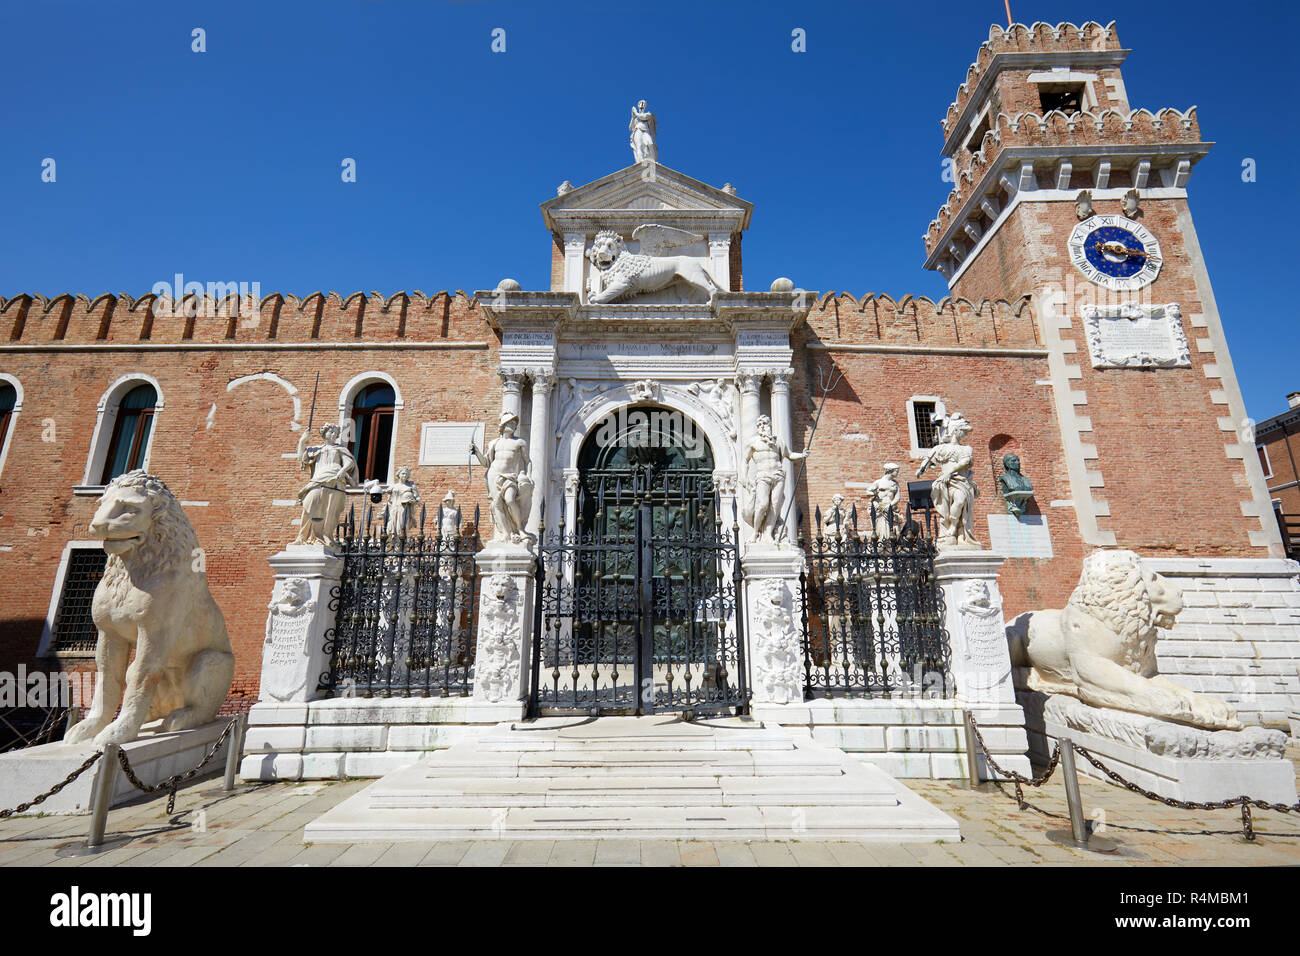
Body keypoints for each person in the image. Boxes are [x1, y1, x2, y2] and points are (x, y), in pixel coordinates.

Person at [470, 412, 533, 543]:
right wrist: (476, 452)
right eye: (510, 422)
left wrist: (528, 475)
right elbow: (486, 462)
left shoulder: (520, 442)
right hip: (494, 474)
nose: (513, 425)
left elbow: (528, 461)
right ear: (503, 425)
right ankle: (505, 533)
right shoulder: (494, 443)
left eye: (515, 423)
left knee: (510, 500)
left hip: (510, 476)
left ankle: (519, 529)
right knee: (497, 503)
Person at [743, 414, 805, 542]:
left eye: (765, 424)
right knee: (763, 504)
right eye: (759, 425)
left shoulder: (779, 441)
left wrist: (802, 455)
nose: (762, 427)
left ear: (770, 425)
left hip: (778, 475)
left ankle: (768, 533)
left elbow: (790, 455)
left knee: (775, 505)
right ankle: (755, 532)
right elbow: (745, 460)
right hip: (763, 475)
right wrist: (745, 478)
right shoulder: (753, 443)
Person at [294, 423, 359, 547]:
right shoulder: (316, 449)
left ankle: (323, 537)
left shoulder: (340, 449)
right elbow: (301, 458)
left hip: (335, 480)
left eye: (335, 432)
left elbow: (349, 462)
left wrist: (342, 471)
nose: (333, 434)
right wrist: (302, 441)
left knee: (329, 510)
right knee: (310, 505)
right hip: (318, 479)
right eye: (330, 431)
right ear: (324, 434)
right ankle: (303, 537)